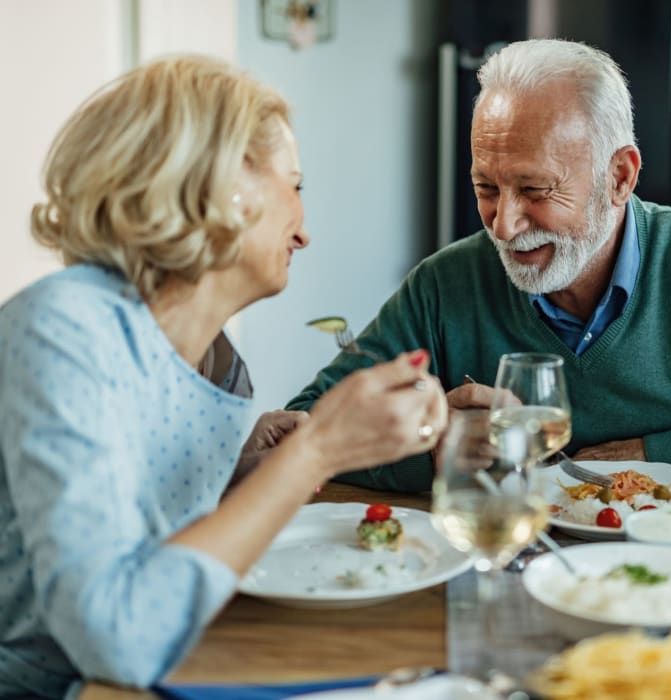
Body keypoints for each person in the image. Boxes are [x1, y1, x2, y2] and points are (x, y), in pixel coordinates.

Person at [288, 38, 671, 495]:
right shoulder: (445, 284)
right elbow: (305, 435)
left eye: (536, 191)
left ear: (619, 176)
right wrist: (438, 450)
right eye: (486, 187)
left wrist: (667, 457)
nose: (504, 226)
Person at [0, 55, 447, 698]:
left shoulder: (217, 358)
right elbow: (116, 636)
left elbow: (150, 528)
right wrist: (318, 449)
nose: (305, 231)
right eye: (294, 184)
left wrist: (245, 472)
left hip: (176, 667)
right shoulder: (64, 328)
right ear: (222, 187)